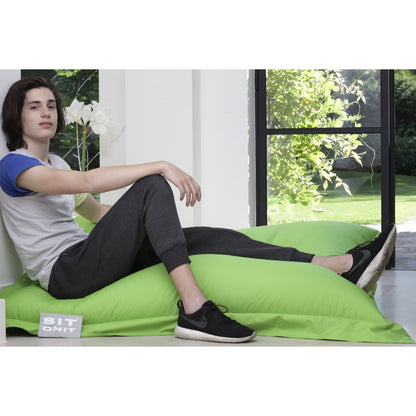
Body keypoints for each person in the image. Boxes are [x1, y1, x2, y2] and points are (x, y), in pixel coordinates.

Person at [0, 76, 396, 344]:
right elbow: (88, 182)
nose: (46, 112)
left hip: (88, 256)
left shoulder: (58, 164)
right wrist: (161, 166)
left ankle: (337, 266)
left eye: (50, 105)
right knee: (152, 184)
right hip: (67, 273)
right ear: (17, 116)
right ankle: (195, 310)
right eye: (34, 107)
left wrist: (149, 225)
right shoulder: (13, 166)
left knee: (204, 238)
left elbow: (97, 214)